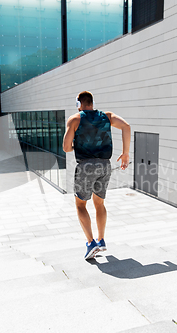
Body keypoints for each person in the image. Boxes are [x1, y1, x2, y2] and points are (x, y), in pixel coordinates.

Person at [63, 91, 131, 260]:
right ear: (92, 103)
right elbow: (126, 126)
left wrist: (76, 147)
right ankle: (101, 240)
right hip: (104, 165)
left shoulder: (75, 119)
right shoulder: (107, 117)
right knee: (99, 203)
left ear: (79, 104)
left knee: (80, 205)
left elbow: (66, 147)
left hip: (86, 166)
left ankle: (90, 243)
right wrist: (125, 153)